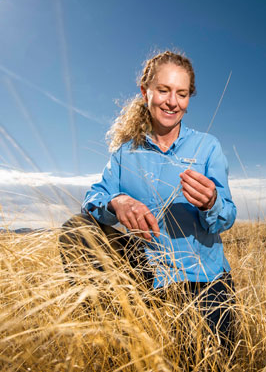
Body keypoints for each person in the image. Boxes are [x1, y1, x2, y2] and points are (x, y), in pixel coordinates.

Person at [59, 50, 237, 350]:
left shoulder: (207, 147)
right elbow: (93, 198)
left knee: (210, 359)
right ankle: (113, 327)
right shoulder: (124, 152)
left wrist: (211, 202)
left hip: (204, 279)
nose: (172, 102)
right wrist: (116, 202)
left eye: (181, 94)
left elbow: (227, 216)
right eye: (164, 90)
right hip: (147, 273)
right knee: (76, 230)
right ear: (146, 92)